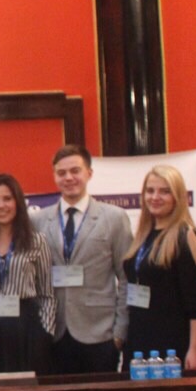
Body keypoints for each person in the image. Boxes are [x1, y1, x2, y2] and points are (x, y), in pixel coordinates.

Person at [30, 145, 134, 375]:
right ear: (54, 176)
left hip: (100, 332)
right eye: (61, 173)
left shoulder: (114, 218)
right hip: (53, 332)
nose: (68, 178)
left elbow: (127, 278)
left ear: (89, 173)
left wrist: (120, 332)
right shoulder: (38, 220)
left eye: (75, 171)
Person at [0, 174, 56, 378]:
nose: (1, 205)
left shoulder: (37, 241)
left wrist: (45, 332)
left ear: (18, 202)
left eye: (7, 198)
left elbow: (47, 293)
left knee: (23, 389)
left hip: (25, 328)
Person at [121, 165, 196, 370]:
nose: (155, 197)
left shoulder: (187, 237)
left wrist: (195, 349)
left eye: (165, 191)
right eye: (150, 190)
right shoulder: (143, 235)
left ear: (178, 197)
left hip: (174, 344)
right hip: (140, 337)